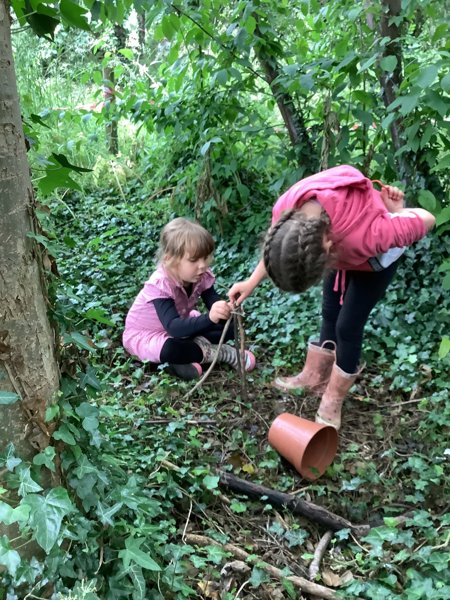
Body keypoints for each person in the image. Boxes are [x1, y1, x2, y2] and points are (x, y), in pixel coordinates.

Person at [228, 165, 435, 429]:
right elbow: (280, 250)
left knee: (347, 326)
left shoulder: (372, 235)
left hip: (376, 260)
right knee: (329, 310)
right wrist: (251, 282)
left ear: (328, 250)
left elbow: (427, 218)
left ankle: (334, 396)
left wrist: (397, 213)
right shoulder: (289, 209)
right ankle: (314, 375)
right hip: (344, 244)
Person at [123, 217, 256, 381]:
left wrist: (222, 308)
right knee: (170, 349)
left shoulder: (200, 275)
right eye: (194, 260)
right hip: (148, 335)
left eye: (205, 257)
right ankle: (221, 353)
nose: (202, 265)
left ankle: (182, 361)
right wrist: (210, 317)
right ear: (170, 259)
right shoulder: (160, 284)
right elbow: (173, 327)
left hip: (182, 330)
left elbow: (211, 298)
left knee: (229, 326)